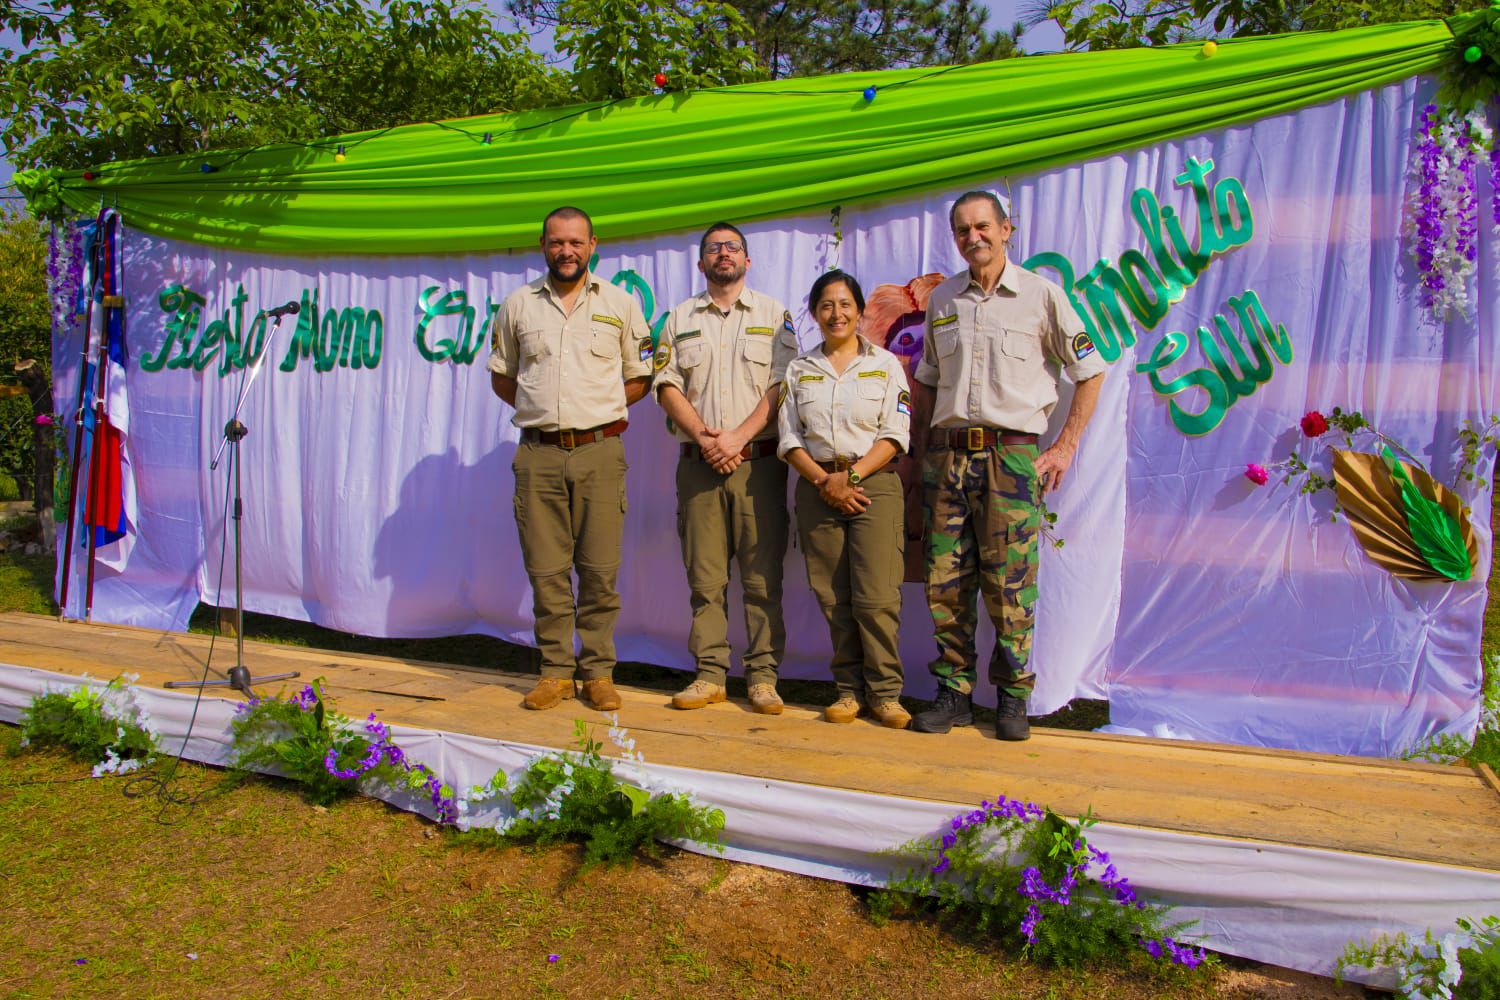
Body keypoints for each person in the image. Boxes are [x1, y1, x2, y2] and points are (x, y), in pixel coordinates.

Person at [909, 190, 1107, 741]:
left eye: (983, 226)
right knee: (945, 583)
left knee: (1010, 584)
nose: (974, 237)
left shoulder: (1043, 295)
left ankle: (1014, 695)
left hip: (1010, 457)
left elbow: (1091, 370)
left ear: (1006, 229)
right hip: (947, 457)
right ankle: (954, 692)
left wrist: (1064, 445)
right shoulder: (943, 300)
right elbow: (926, 382)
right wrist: (920, 455)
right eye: (963, 230)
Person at [488, 206, 653, 712]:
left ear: (593, 245)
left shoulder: (622, 305)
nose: (566, 251)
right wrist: (547, 409)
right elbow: (502, 376)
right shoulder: (518, 306)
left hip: (600, 453)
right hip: (538, 455)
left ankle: (598, 671)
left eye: (576, 242)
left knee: (600, 570)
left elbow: (640, 376)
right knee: (547, 570)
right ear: (543, 246)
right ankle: (556, 671)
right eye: (557, 242)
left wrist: (595, 409)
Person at [654, 223, 800, 714]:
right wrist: (706, 437)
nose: (723, 254)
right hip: (698, 465)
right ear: (700, 264)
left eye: (732, 247)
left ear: (747, 260)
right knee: (705, 578)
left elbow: (783, 384)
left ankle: (762, 677)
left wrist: (737, 437)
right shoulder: (678, 318)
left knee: (762, 579)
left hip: (756, 464)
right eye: (714, 248)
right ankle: (710, 674)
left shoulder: (775, 315)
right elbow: (666, 384)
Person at [778, 270, 912, 728]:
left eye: (844, 304)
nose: (836, 313)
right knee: (833, 598)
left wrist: (850, 477)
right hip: (818, 488)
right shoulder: (799, 369)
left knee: (876, 598)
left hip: (873, 486)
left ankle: (886, 693)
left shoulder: (886, 365)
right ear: (815, 313)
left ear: (859, 311)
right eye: (826, 305)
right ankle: (849, 691)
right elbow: (789, 438)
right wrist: (826, 482)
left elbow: (896, 434)